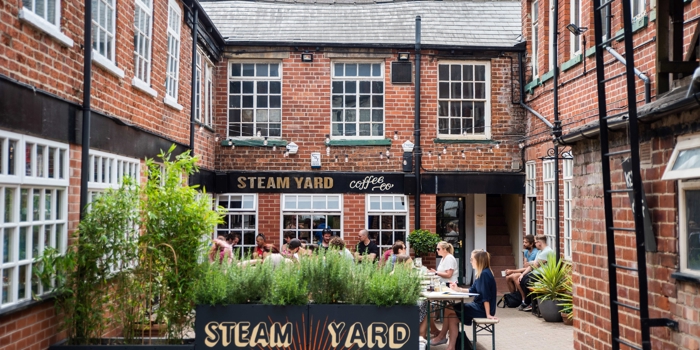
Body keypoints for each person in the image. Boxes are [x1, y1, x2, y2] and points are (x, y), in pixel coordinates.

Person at [431, 250, 498, 349]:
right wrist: (458, 289)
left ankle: (441, 336)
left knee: (449, 308)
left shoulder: (484, 274)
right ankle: (451, 346)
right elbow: (472, 290)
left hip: (481, 309)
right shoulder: (481, 273)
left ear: (478, 261)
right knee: (452, 316)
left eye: (472, 259)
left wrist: (488, 314)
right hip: (479, 306)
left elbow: (486, 297)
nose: (470, 261)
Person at [427, 241, 459, 346]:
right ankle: (437, 332)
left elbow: (449, 274)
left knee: (440, 307)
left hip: (449, 286)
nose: (437, 250)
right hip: (444, 285)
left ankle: (440, 334)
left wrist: (435, 272)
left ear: (445, 249)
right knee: (432, 305)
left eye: (438, 249)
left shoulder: (449, 258)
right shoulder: (444, 258)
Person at [518, 235, 555, 311]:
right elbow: (532, 266)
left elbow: (536, 265)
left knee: (527, 282)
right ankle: (528, 302)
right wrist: (522, 274)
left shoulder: (547, 251)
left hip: (543, 275)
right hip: (536, 273)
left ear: (539, 243)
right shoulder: (540, 252)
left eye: (535, 242)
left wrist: (531, 263)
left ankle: (532, 303)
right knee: (522, 280)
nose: (534, 244)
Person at [504, 234, 540, 306]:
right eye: (523, 242)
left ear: (532, 243)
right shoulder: (526, 252)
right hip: (526, 271)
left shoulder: (536, 252)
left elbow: (529, 267)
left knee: (515, 277)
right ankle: (514, 297)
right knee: (508, 277)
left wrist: (513, 271)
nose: (524, 244)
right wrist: (512, 271)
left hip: (531, 272)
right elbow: (525, 265)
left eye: (526, 242)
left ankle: (523, 299)